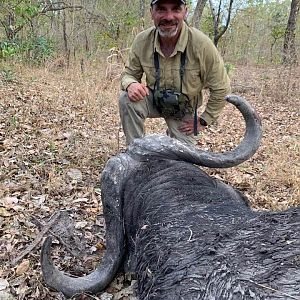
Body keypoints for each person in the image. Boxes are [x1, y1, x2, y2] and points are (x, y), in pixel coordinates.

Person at [119, 0, 230, 146]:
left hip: (183, 110)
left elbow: (222, 87)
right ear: (151, 12)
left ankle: (174, 136)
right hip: (155, 100)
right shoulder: (142, 40)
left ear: (185, 12)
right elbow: (128, 74)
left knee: (184, 159)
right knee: (126, 99)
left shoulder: (201, 44)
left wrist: (204, 120)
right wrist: (131, 84)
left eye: (176, 10)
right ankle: (135, 151)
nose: (169, 17)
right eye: (161, 10)